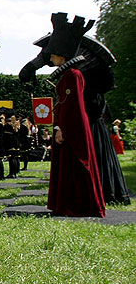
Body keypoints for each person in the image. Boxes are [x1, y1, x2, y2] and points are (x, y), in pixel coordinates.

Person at [42, 13, 106, 217]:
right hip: (67, 126)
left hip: (71, 128)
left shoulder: (73, 75)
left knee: (74, 167)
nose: (50, 57)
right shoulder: (69, 74)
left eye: (52, 53)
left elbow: (73, 106)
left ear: (61, 54)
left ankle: (77, 204)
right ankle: (67, 203)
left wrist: (61, 128)